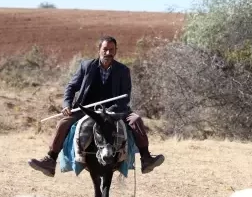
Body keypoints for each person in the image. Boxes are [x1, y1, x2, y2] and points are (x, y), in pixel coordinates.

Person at [28, 35, 165, 177]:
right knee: (63, 123)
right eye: (105, 49)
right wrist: (67, 104)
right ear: (99, 50)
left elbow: (125, 96)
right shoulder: (86, 66)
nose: (108, 53)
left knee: (136, 120)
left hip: (115, 110)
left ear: (116, 51)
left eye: (111, 50)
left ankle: (146, 159)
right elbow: (70, 87)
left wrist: (108, 112)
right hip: (86, 109)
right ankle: (50, 160)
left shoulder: (123, 70)